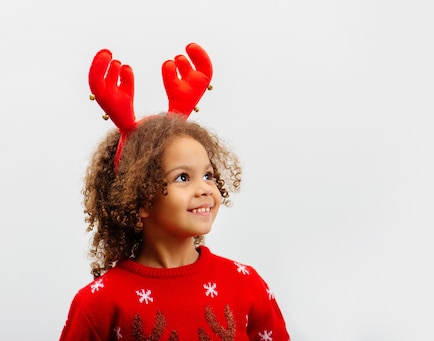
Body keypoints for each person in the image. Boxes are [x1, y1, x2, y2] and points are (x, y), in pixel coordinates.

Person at [59, 43, 290, 341]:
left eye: (207, 175)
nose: (205, 188)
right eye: (183, 177)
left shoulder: (245, 284)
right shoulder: (99, 303)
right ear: (139, 198)